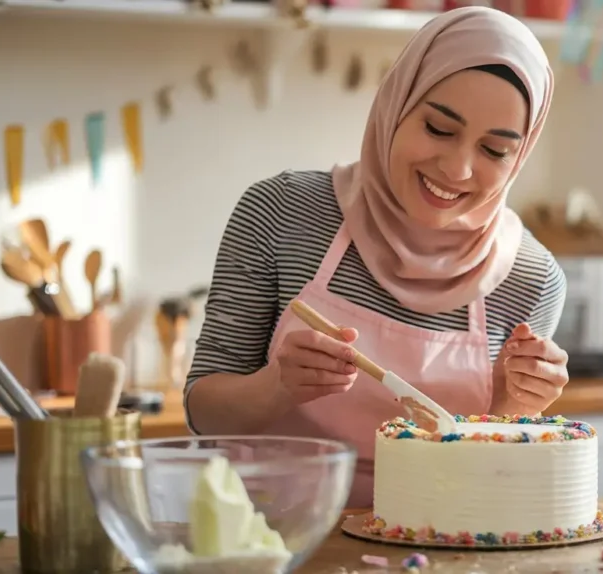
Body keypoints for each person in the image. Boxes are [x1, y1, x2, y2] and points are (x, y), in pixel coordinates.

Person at [185, 6, 569, 506]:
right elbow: (202, 413)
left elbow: (492, 481)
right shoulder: (281, 212)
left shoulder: (532, 277)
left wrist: (515, 406)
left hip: (437, 552)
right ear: (397, 103)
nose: (457, 168)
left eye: (494, 151)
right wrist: (276, 386)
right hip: (278, 541)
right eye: (438, 128)